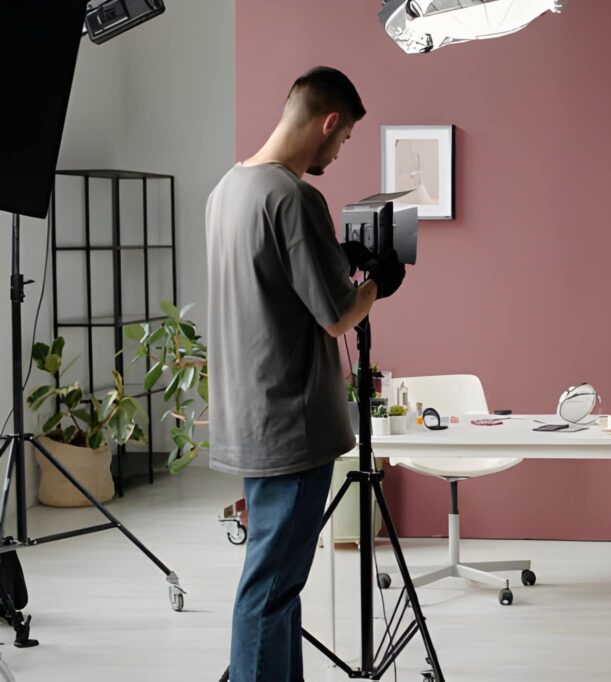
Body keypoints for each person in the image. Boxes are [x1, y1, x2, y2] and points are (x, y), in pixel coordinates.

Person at [205, 66, 406, 681]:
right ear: (327, 122)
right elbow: (336, 315)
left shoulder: (227, 190)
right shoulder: (293, 196)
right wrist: (379, 282)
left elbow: (273, 290)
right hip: (293, 425)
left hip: (248, 415)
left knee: (278, 583)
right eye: (343, 139)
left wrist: (334, 259)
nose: (340, 150)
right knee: (271, 586)